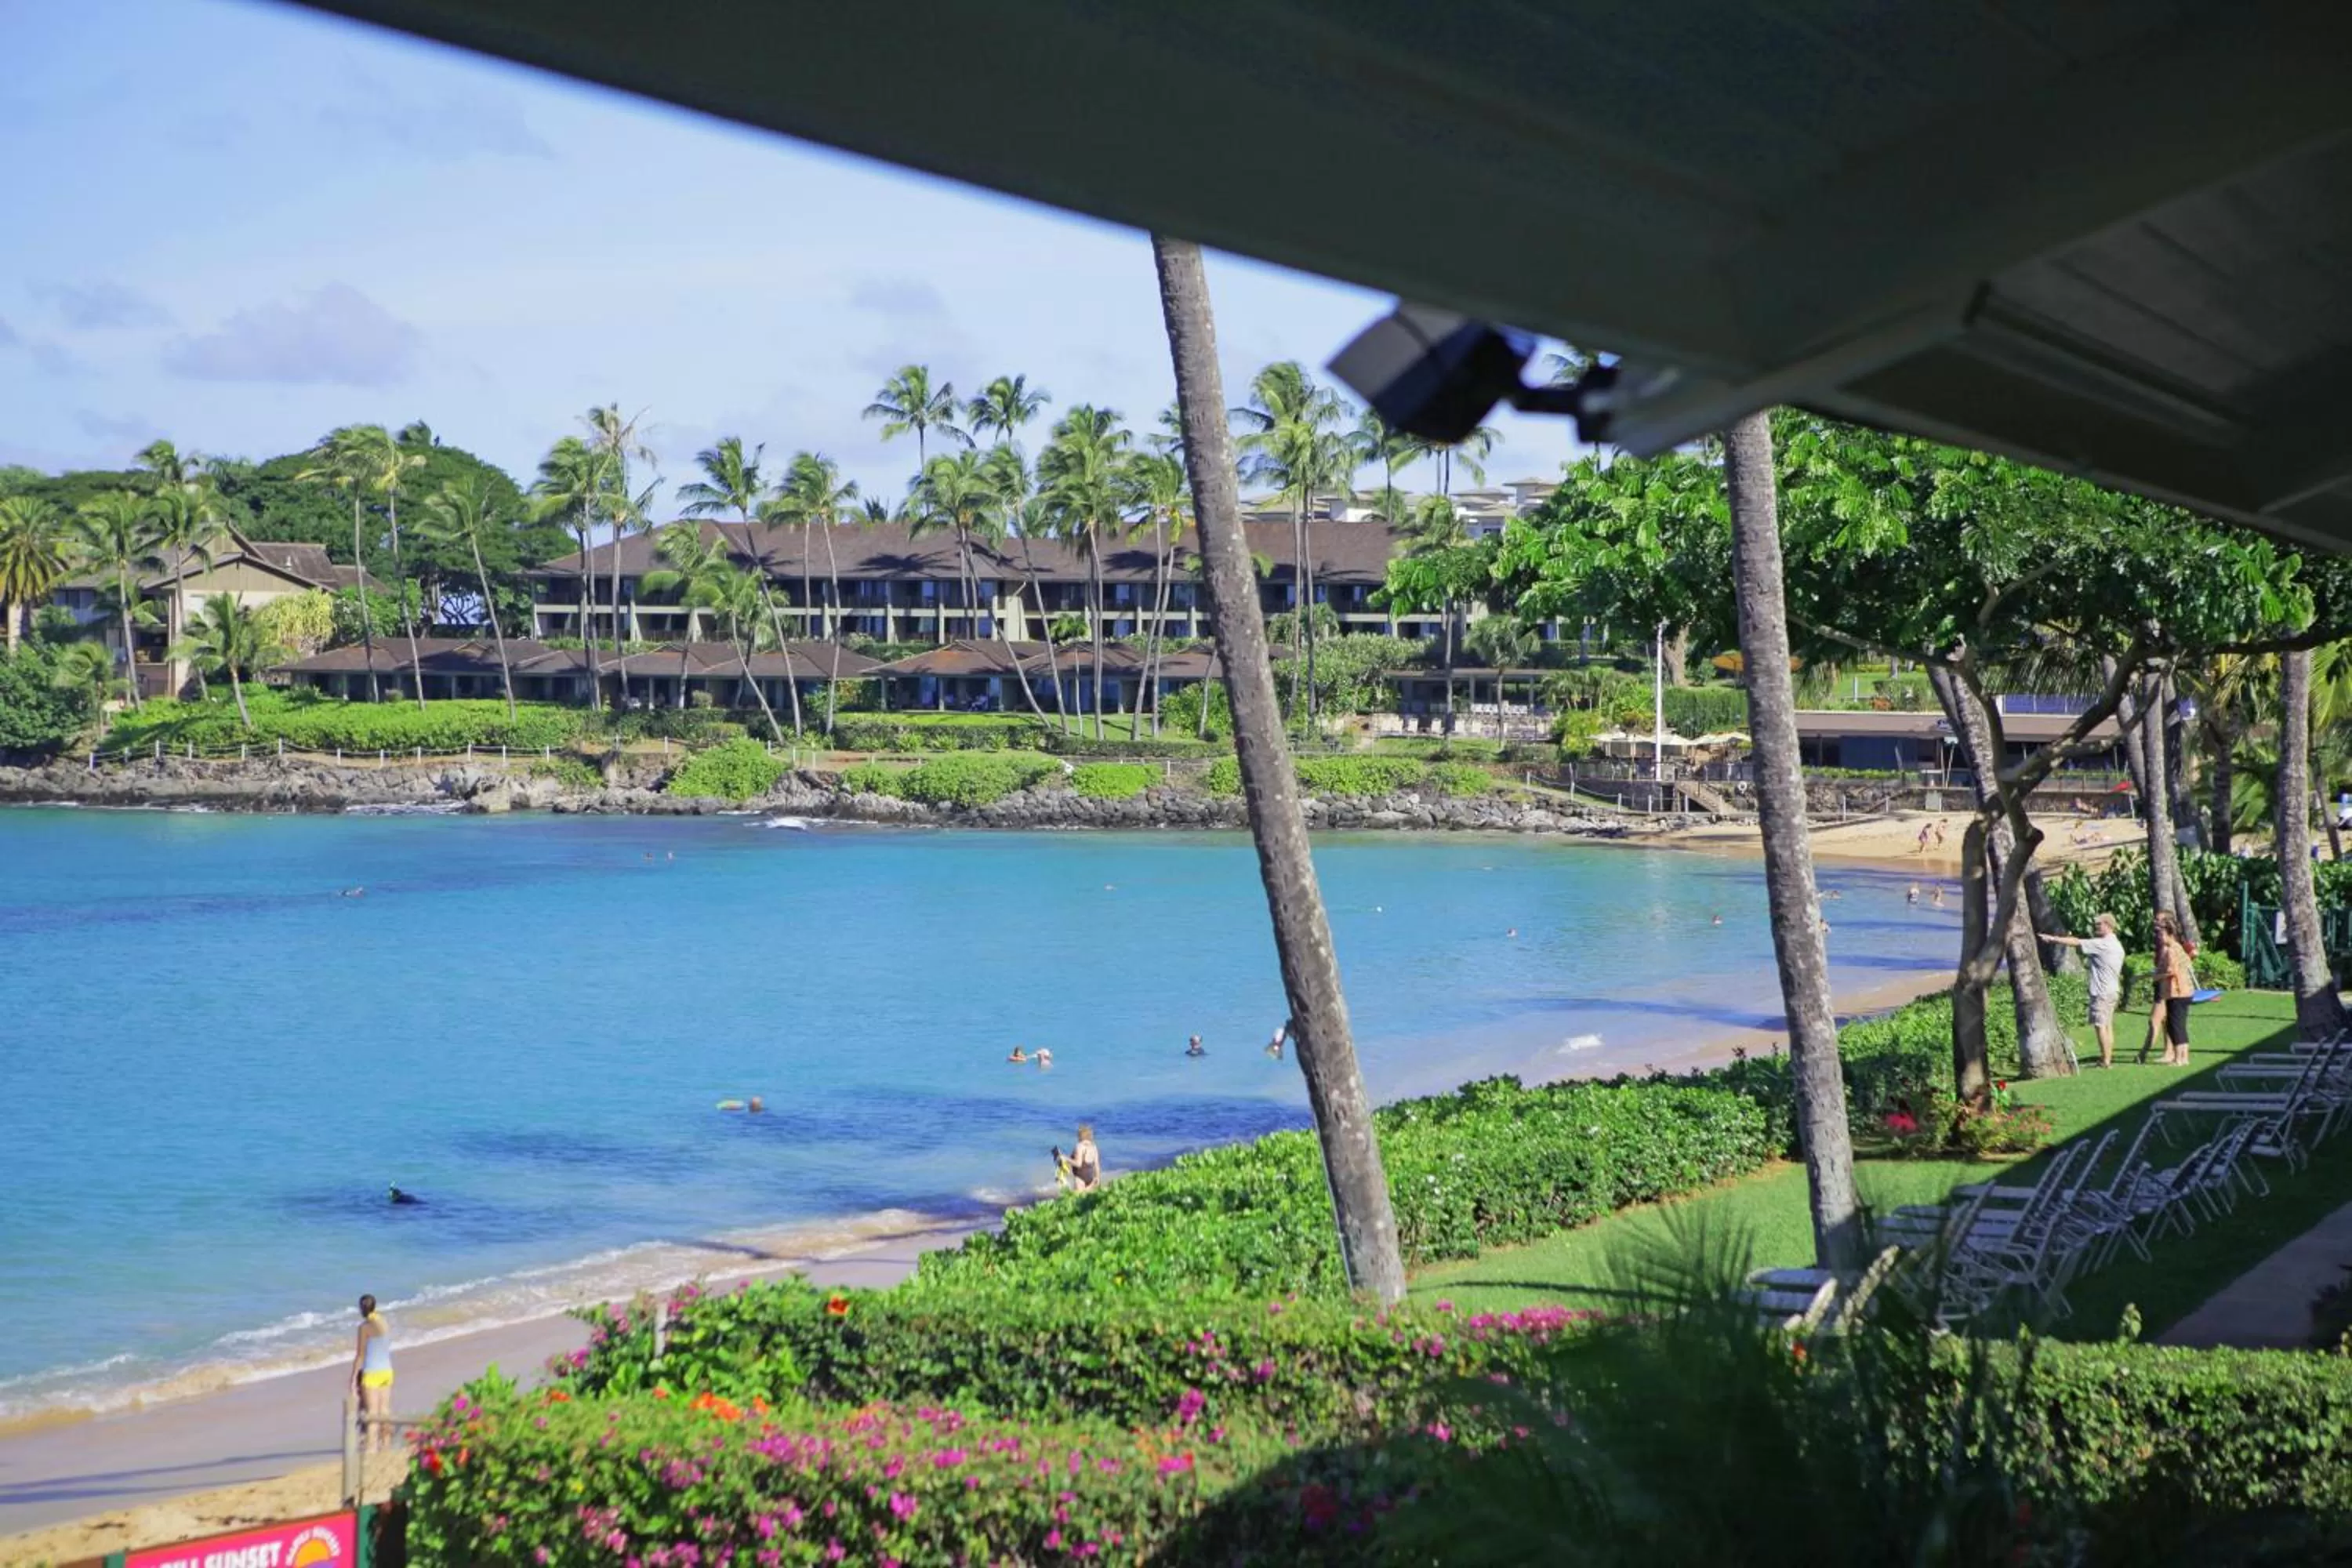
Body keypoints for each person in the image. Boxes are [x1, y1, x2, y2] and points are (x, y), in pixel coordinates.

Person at [2042, 913, 2126, 1067]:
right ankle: (2107, 1058)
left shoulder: (2103, 944)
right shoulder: (2116, 944)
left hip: (2102, 992)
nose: (2096, 927)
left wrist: (2053, 939)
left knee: (2100, 1026)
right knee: (2107, 1025)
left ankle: (2106, 1061)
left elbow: (2076, 942)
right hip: (2112, 990)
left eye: (2098, 925)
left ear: (2108, 925)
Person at [2145, 911, 2197, 1066]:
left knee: (2176, 1026)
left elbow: (2171, 971)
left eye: (2162, 935)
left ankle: (2181, 1058)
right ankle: (2181, 1057)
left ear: (2169, 934)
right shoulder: (2176, 948)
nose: (2160, 938)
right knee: (2176, 1025)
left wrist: (2157, 977)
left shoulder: (2173, 949)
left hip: (2178, 993)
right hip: (2181, 992)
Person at [350, 1294, 394, 1452]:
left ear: (362, 1309)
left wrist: (353, 1378)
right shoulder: (384, 1322)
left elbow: (360, 1355)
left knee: (372, 1414)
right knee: (385, 1411)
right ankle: (387, 1444)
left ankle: (371, 1448)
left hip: (372, 1373)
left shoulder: (364, 1327)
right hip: (387, 1371)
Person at [1067, 1123, 1102, 1192]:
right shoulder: (1094, 1147)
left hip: (1080, 1177)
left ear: (1080, 1135)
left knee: (1078, 1198)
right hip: (1090, 1177)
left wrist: (1065, 1159)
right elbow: (1097, 1165)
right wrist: (1097, 1178)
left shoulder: (1079, 1146)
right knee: (1086, 1199)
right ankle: (1089, 1187)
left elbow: (1078, 1164)